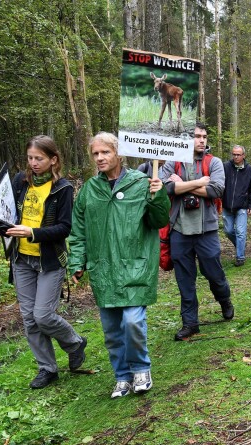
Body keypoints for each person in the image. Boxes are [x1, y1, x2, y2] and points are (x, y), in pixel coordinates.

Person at [69, 132, 170, 398]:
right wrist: (77, 261)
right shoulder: (90, 190)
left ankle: (140, 369)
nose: (100, 158)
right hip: (104, 269)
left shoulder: (142, 183)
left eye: (105, 152)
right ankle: (122, 376)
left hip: (135, 265)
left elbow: (159, 221)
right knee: (113, 330)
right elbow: (78, 230)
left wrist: (159, 195)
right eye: (96, 154)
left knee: (133, 322)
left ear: (119, 153)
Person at [0, 136, 87, 389]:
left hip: (49, 261)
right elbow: (9, 215)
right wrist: (1, 228)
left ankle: (74, 342)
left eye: (40, 158)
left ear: (53, 160)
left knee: (43, 315)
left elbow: (64, 228)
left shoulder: (63, 189)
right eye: (30, 158)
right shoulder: (19, 182)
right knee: (29, 318)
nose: (34, 163)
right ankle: (47, 368)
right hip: (21, 259)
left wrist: (32, 233)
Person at [160, 123, 234, 342]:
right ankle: (190, 323)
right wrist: (197, 183)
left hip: (206, 230)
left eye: (204, 136)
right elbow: (165, 188)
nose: (201, 140)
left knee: (214, 273)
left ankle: (224, 300)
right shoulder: (173, 161)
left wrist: (182, 184)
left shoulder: (215, 163)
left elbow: (216, 190)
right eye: (196, 136)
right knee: (185, 279)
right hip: (179, 229)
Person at [222, 145, 251, 266]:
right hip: (227, 205)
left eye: (238, 154)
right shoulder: (226, 166)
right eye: (234, 154)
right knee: (228, 231)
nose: (236, 157)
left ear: (243, 155)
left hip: (242, 205)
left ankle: (240, 257)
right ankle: (240, 245)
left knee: (240, 232)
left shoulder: (249, 169)